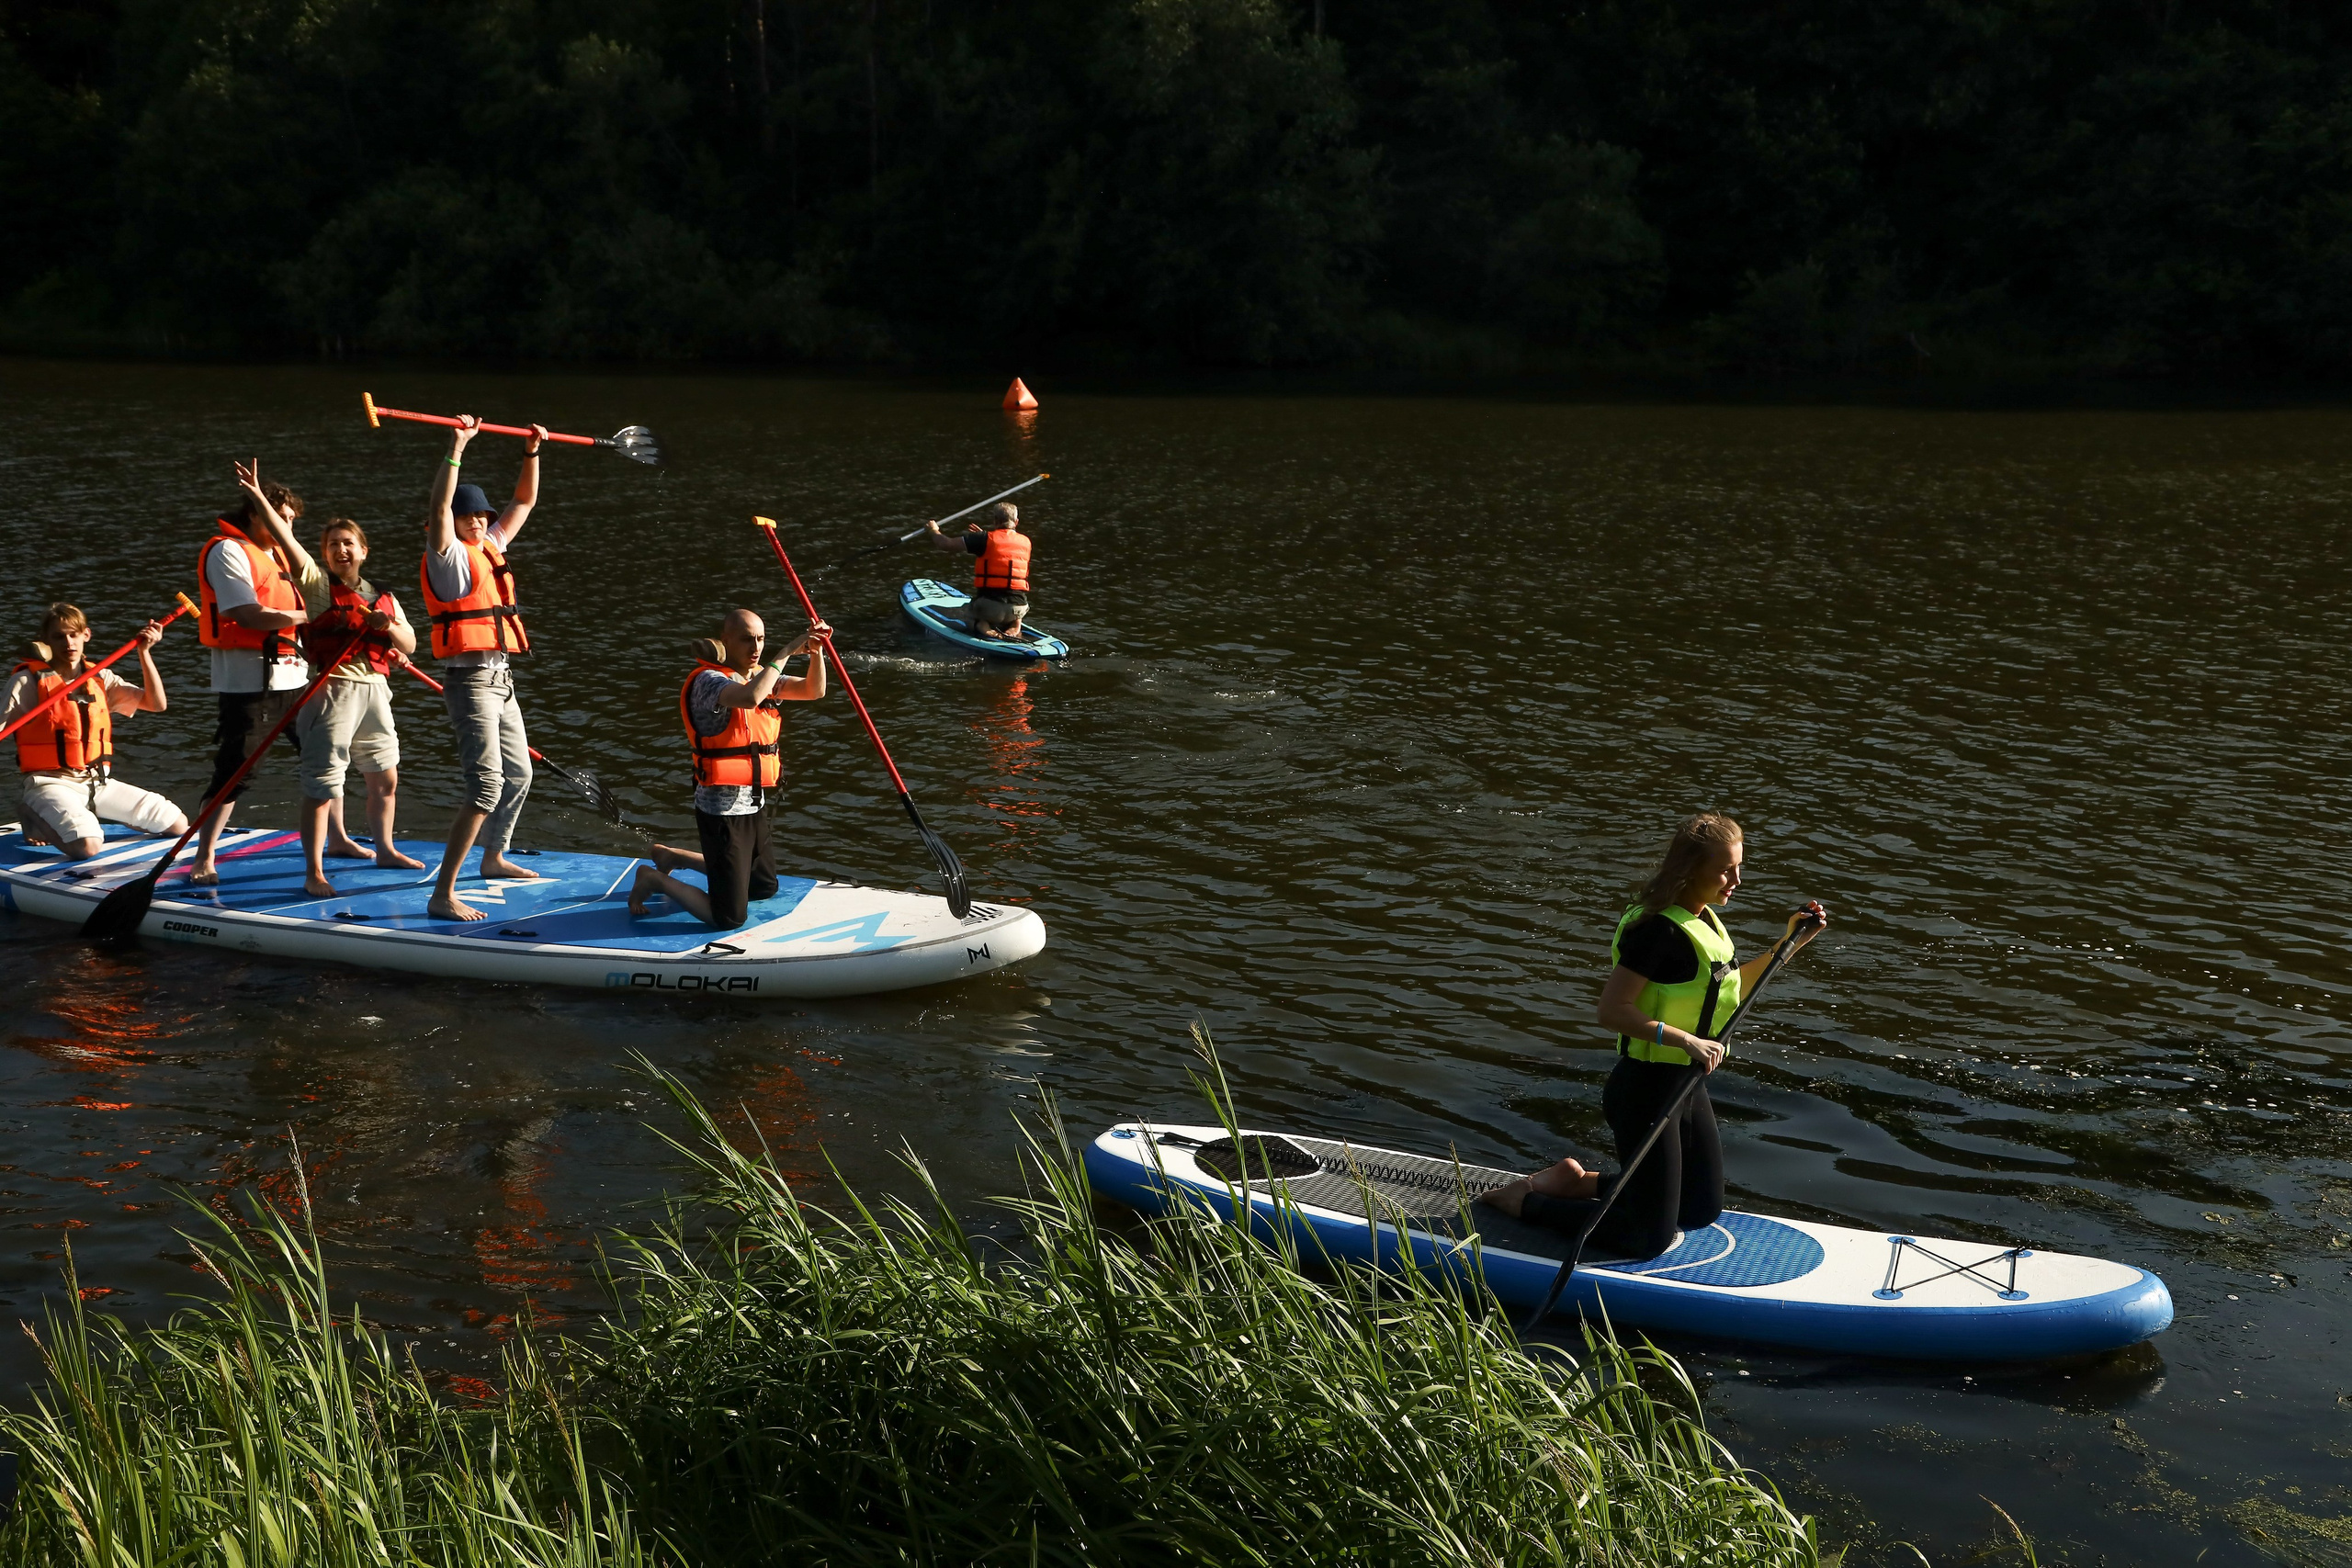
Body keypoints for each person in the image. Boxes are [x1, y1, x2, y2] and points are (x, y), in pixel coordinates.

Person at [1481, 812, 1829, 1260]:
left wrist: (1789, 944)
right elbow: (1612, 1011)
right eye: (1726, 869)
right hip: (1645, 1088)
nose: (1737, 880)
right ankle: (1523, 1201)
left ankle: (1580, 1183)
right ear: (1689, 869)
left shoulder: (1701, 921)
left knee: (1700, 1208)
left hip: (1685, 1084)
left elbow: (1731, 988)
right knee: (1649, 1239)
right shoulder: (1658, 930)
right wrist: (1685, 1040)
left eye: (1739, 867)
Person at [237, 466, 425, 897]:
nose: (340, 549)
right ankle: (314, 872)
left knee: (385, 779)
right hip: (333, 690)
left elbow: (410, 644)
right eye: (332, 544)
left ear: (363, 550)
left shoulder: (384, 596)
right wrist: (258, 497)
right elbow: (286, 540)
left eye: (348, 543)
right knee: (323, 786)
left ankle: (385, 848)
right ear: (324, 553)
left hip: (375, 691)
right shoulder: (317, 583)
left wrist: (388, 626)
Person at [419, 415, 548, 921]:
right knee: (486, 787)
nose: (478, 521)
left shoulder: (490, 547)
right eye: (467, 516)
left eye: (480, 516)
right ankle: (443, 892)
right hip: (470, 682)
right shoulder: (445, 556)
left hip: (501, 678)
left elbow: (524, 502)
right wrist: (456, 447)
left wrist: (532, 451)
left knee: (520, 775)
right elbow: (437, 506)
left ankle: (494, 857)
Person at [629, 609, 830, 928]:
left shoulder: (761, 677)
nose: (756, 647)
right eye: (746, 639)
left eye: (761, 639)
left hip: (753, 802)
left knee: (763, 888)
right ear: (726, 641)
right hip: (720, 810)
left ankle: (675, 857)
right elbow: (749, 699)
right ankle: (654, 879)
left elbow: (813, 690)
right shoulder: (709, 681)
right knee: (728, 917)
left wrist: (817, 652)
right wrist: (788, 651)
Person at [189, 467, 312, 884]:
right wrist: (309, 616)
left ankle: (337, 837)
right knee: (236, 770)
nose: (286, 527)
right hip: (249, 682)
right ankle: (203, 856)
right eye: (279, 517)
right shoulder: (229, 552)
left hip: (294, 678)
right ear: (256, 515)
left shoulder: (279, 556)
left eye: (292, 521)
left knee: (323, 758)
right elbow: (244, 613)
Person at [5, 604, 187, 858]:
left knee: (177, 825)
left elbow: (156, 704)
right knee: (87, 847)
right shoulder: (27, 682)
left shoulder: (101, 678)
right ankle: (30, 811)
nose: (68, 642)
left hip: (98, 783)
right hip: (50, 783)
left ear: (85, 635)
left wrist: (144, 653)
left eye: (74, 634)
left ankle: (88, 815)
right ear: (46, 640)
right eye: (59, 636)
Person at [924, 502, 1031, 639]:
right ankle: (1016, 625)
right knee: (1013, 599)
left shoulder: (983, 539)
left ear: (995, 520)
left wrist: (933, 530)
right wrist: (982, 536)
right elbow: (1003, 550)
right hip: (1019, 608)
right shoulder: (1026, 541)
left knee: (965, 614)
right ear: (1016, 522)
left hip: (990, 608)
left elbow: (945, 544)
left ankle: (982, 626)